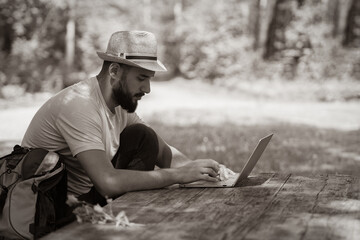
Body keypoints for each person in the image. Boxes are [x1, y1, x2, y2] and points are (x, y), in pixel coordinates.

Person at [21, 31, 224, 206]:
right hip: (55, 211)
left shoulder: (118, 104)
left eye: (149, 79)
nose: (147, 89)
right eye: (141, 78)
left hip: (87, 196)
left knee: (144, 136)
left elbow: (162, 151)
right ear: (114, 71)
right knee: (143, 140)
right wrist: (179, 175)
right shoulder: (79, 105)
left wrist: (204, 171)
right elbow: (107, 182)